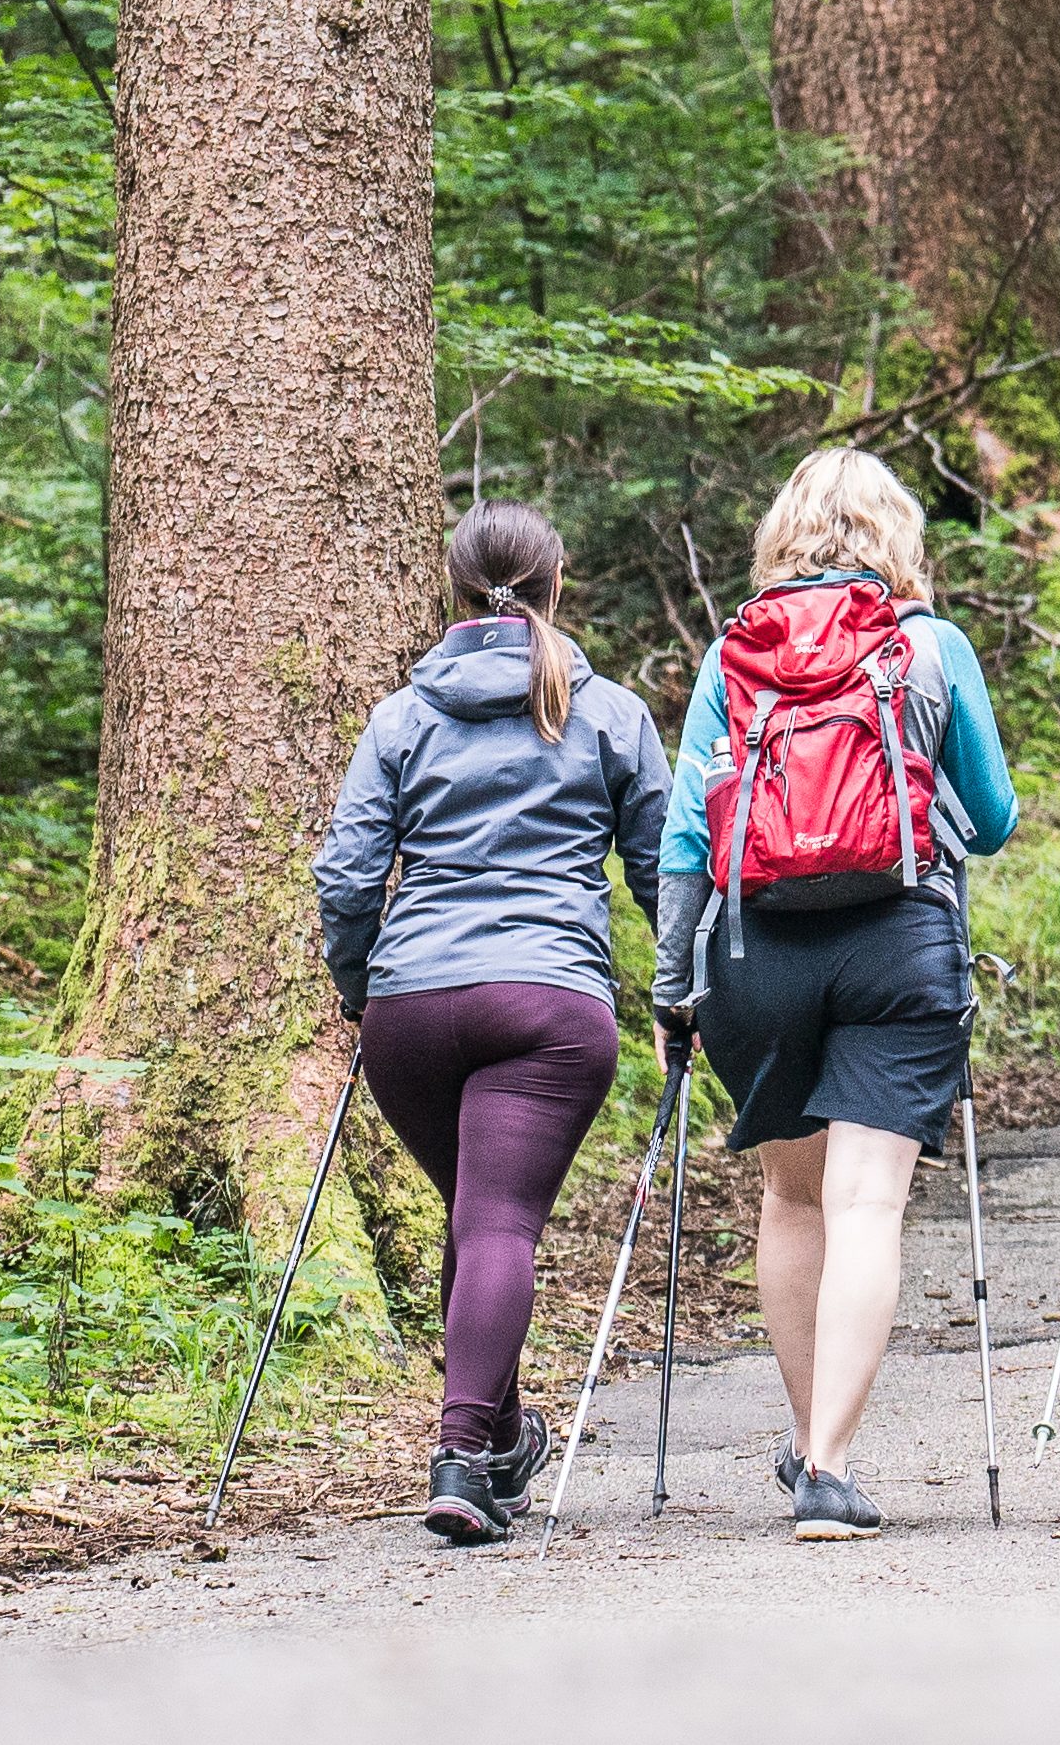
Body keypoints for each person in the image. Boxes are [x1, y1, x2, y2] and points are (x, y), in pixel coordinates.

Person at [648, 443, 1023, 1542]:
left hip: (758, 952)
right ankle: (827, 1465)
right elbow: (993, 820)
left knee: (793, 1197)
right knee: (866, 1204)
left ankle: (810, 1435)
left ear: (782, 533)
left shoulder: (736, 652)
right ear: (898, 534)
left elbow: (687, 836)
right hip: (899, 944)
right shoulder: (928, 644)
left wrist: (673, 988)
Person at [312, 502, 674, 1545]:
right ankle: (464, 1455)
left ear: (455, 587)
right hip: (547, 1005)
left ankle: (502, 1439)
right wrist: (682, 990)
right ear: (558, 580)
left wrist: (360, 988)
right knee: (498, 1224)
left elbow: (346, 876)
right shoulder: (607, 713)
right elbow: (664, 871)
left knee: (480, 1221)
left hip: (411, 1011)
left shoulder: (402, 718)